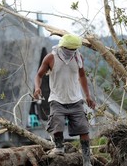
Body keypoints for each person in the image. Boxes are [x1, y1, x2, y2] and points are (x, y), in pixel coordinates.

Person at [33, 34, 96, 166]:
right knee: (58, 123)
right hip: (57, 99)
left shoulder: (78, 57)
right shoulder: (51, 57)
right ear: (62, 46)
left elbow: (82, 76)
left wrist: (87, 96)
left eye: (73, 49)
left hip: (76, 99)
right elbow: (38, 75)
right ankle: (59, 147)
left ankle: (86, 160)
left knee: (84, 129)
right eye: (68, 49)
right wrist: (37, 88)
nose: (70, 52)